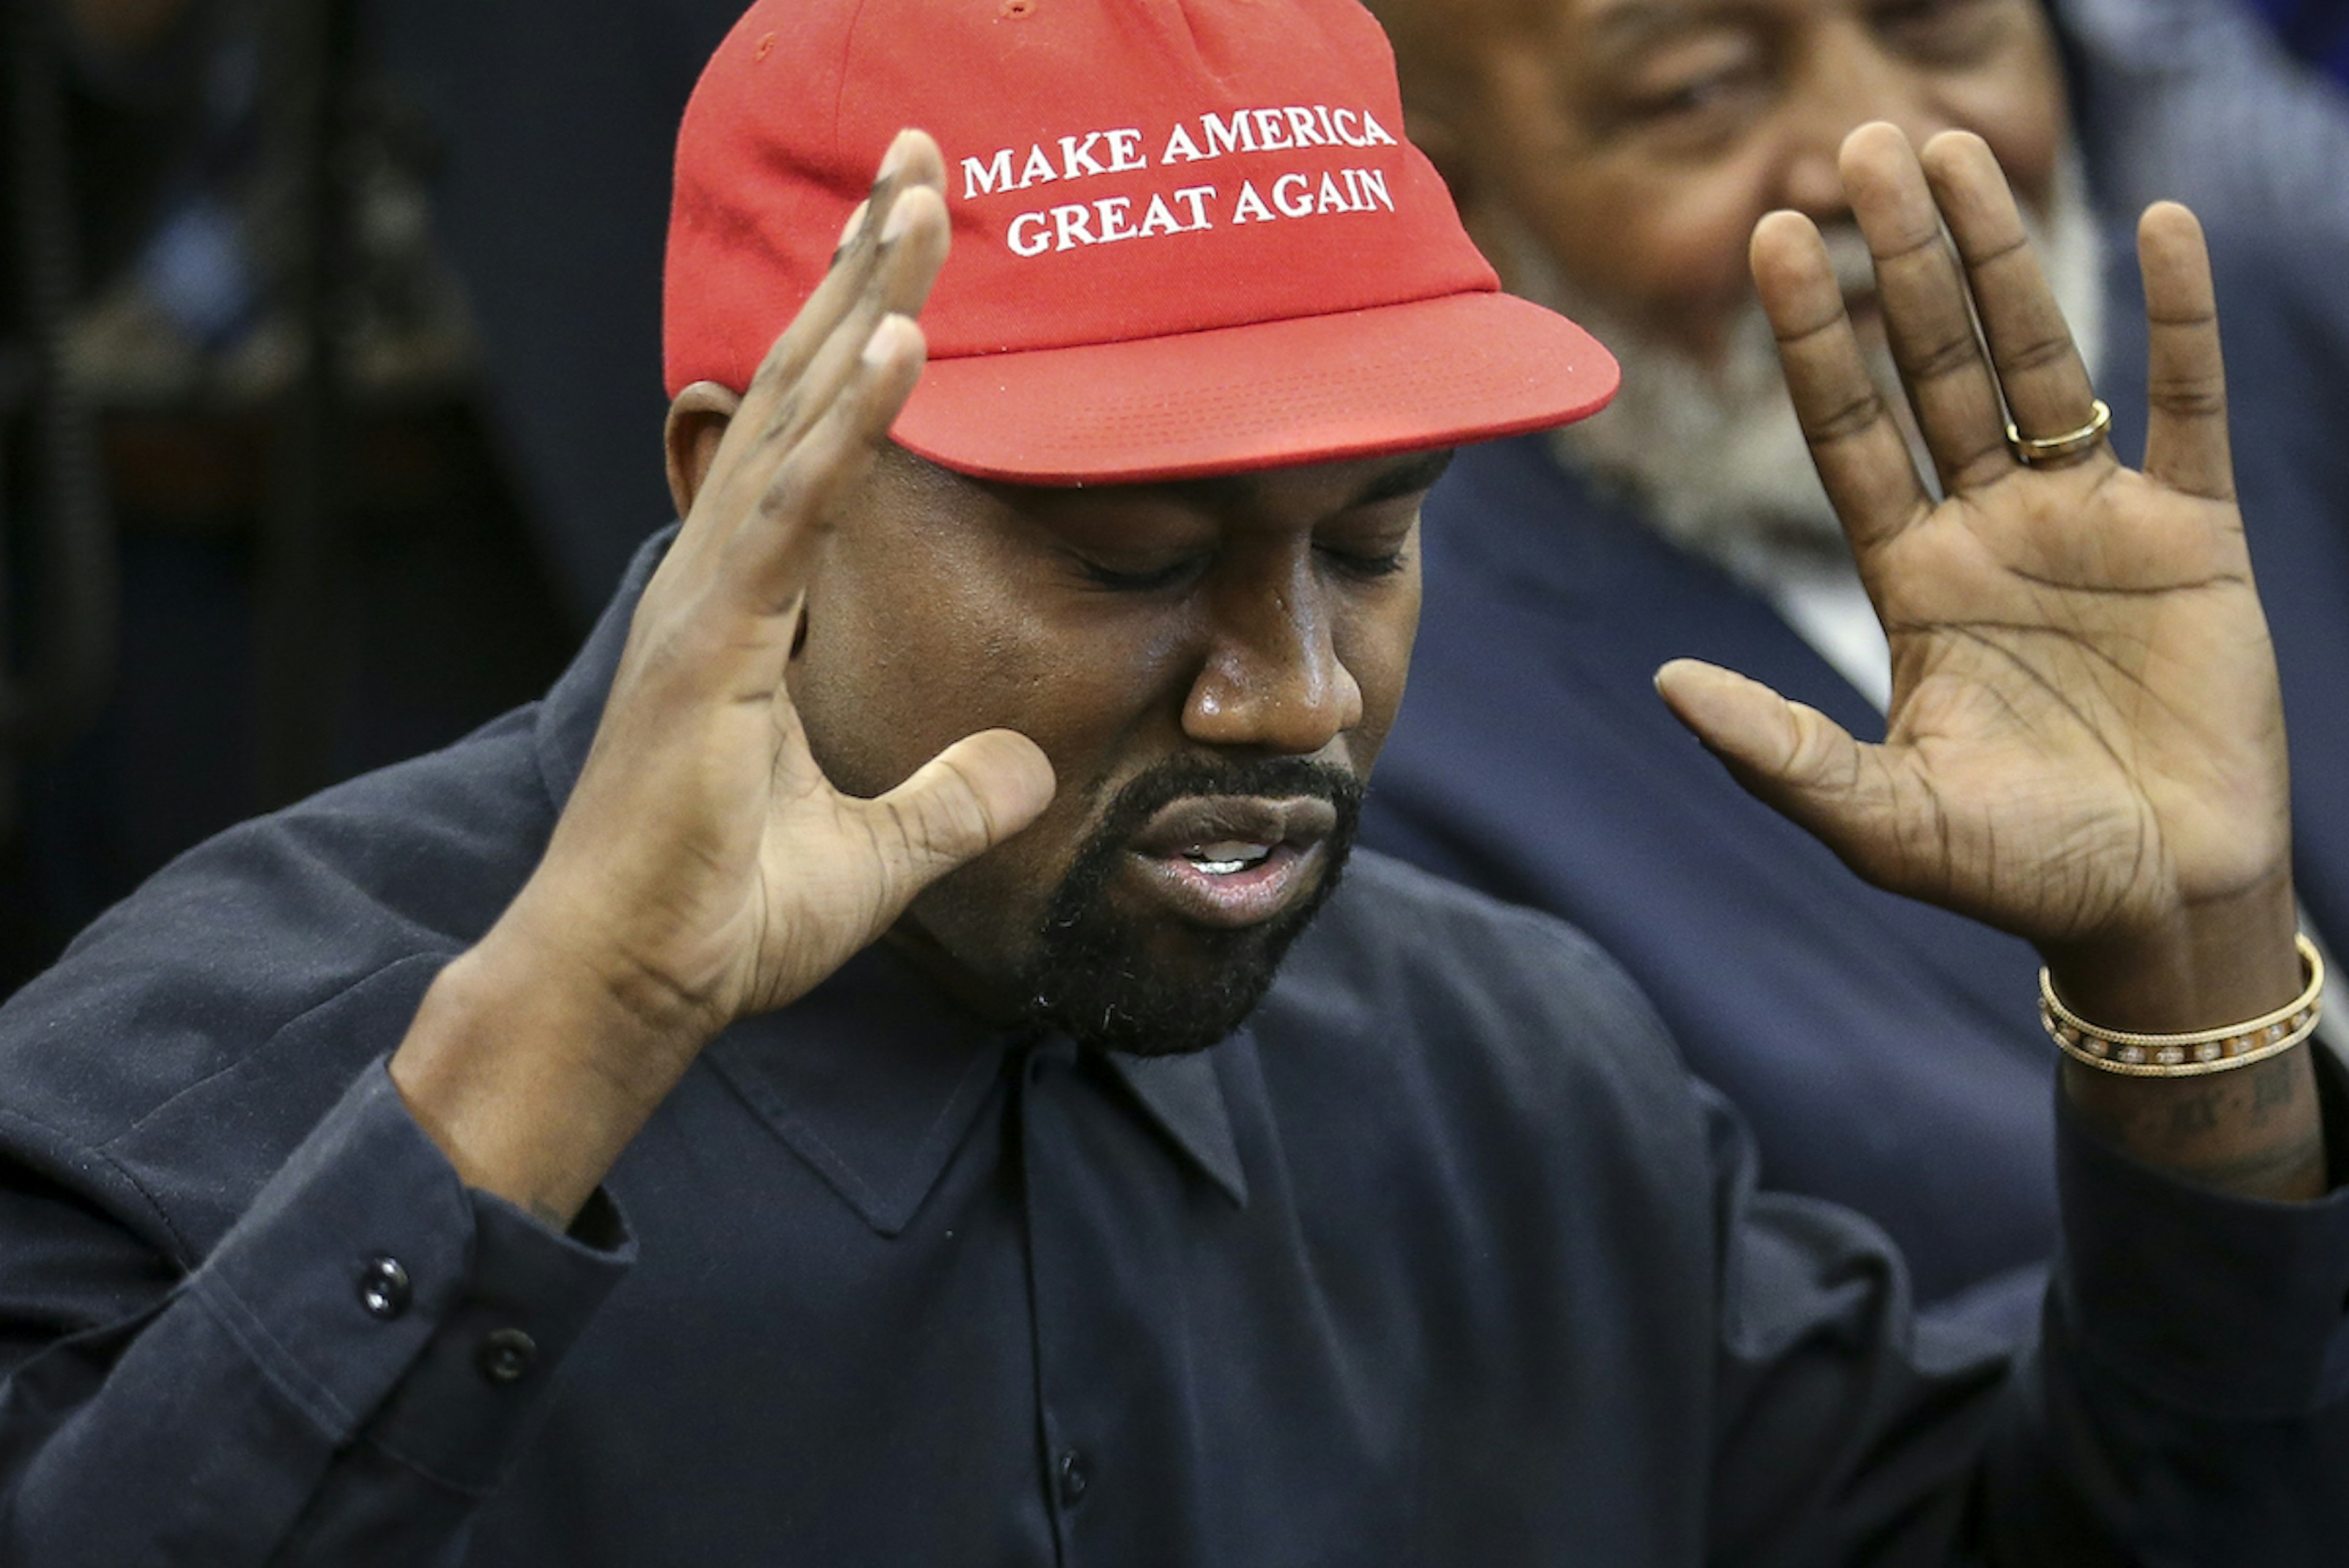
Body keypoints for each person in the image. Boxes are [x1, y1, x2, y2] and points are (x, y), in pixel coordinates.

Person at [2, 0, 2345, 1561]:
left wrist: (2187, 966)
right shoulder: (192, 1095)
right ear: (756, 498)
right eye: (1131, 556)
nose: (1288, 691)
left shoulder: (1515, 1082)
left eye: (1376, 540)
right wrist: (536, 1094)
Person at [1356, 0, 2349, 1331]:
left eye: (1944, 29)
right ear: (1449, 186)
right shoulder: (1385, 727)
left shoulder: (2259, 343)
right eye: (1699, 91)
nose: (1881, 144)